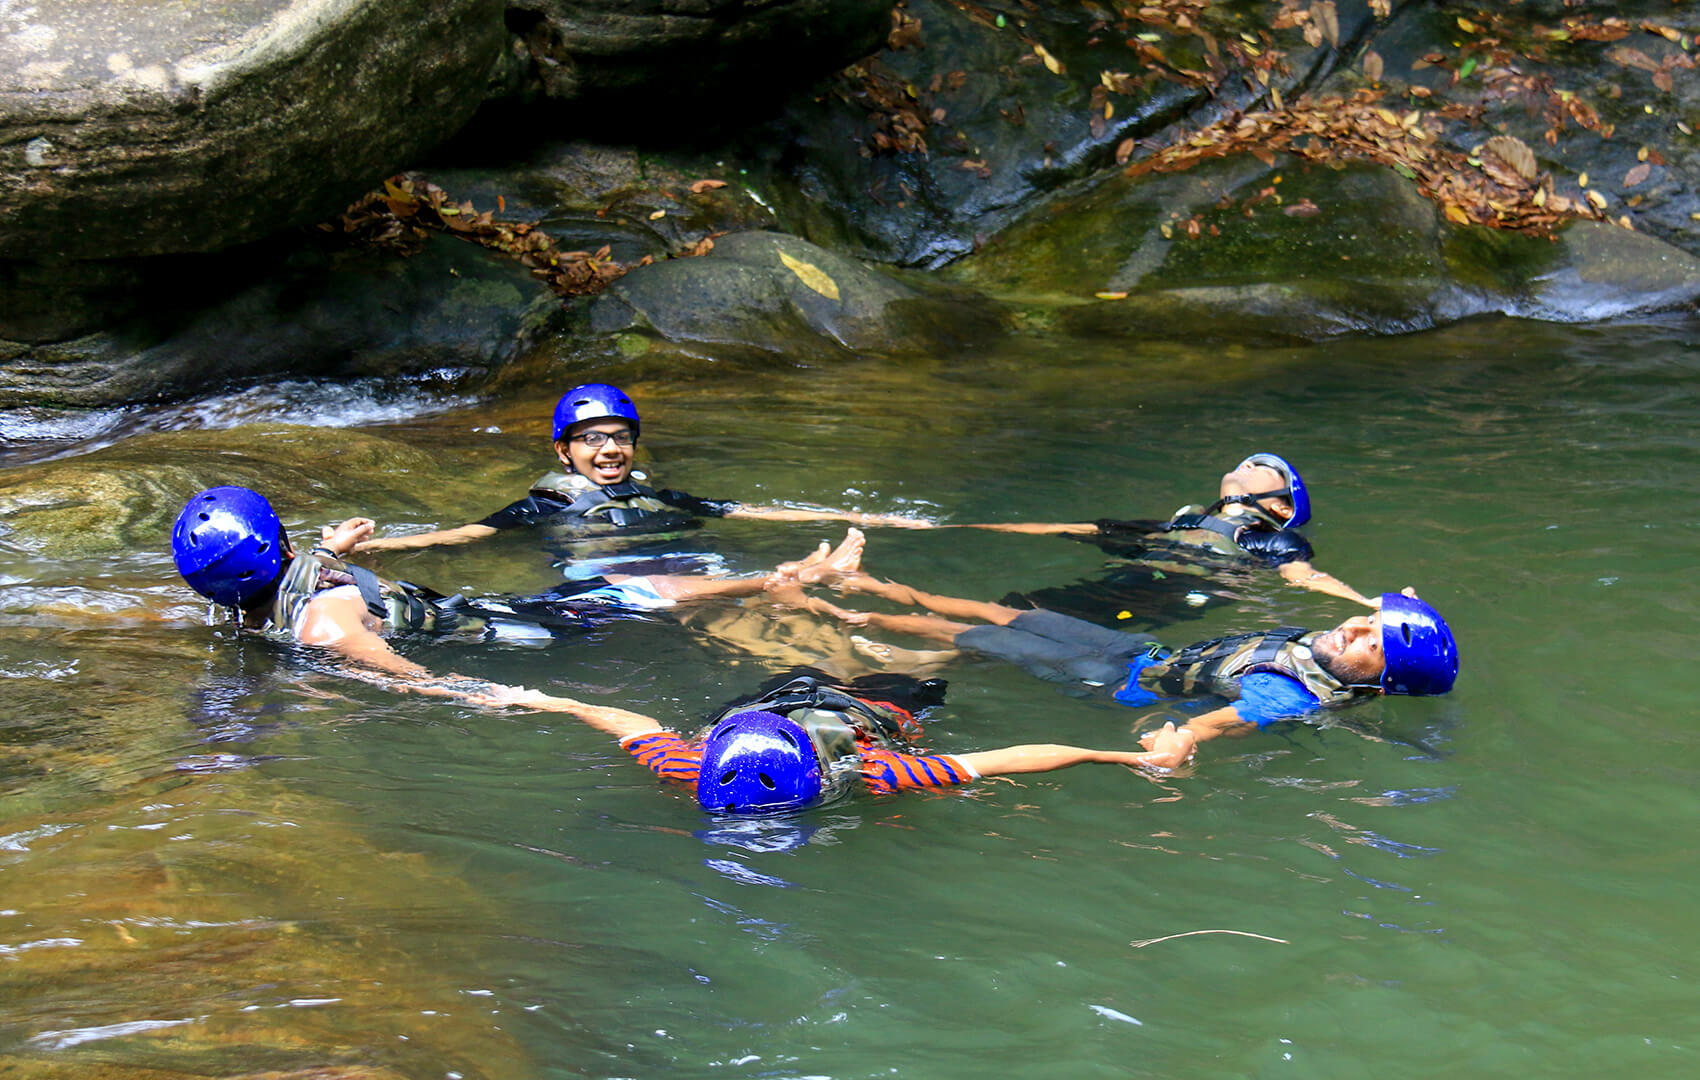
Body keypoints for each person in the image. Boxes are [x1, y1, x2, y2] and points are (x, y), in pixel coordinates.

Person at [169, 486, 867, 709]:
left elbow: (305, 572)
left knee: (618, 594)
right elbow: (417, 682)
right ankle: (783, 580)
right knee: (626, 592)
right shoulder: (328, 623)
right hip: (499, 632)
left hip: (472, 615)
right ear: (276, 542)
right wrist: (508, 700)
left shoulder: (276, 601)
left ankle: (775, 584)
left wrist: (335, 545)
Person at [801, 569, 1458, 769]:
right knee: (1004, 611)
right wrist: (1394, 610)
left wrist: (1178, 743)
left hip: (1108, 680)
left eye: (1372, 641)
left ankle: (842, 614)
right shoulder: (1338, 648)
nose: (1355, 628)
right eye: (1365, 622)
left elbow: (1217, 724)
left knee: (968, 632)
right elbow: (1375, 623)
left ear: (1377, 682)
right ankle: (873, 586)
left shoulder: (1286, 694)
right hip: (1137, 650)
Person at [355, 383, 928, 553]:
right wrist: (372, 549)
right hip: (602, 590)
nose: (609, 449)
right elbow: (469, 533)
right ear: (564, 452)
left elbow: (743, 510)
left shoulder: (658, 497)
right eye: (592, 440)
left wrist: (862, 516)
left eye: (621, 438)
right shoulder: (546, 505)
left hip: (683, 572)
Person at [538, 670, 1194, 814]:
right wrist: (541, 698)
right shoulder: (694, 761)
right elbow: (620, 721)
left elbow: (1017, 758)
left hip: (864, 708)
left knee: (927, 686)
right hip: (765, 702)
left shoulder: (874, 770)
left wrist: (1133, 757)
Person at [951, 453, 1374, 610]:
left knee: (1008, 621)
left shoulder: (1271, 538)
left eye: (1265, 468)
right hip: (1120, 588)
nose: (1248, 465)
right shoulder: (1180, 524)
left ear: (1282, 506)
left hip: (1159, 598)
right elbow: (1069, 529)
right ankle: (935, 658)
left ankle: (933, 660)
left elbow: (1302, 576)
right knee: (1011, 612)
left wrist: (1365, 602)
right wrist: (947, 526)